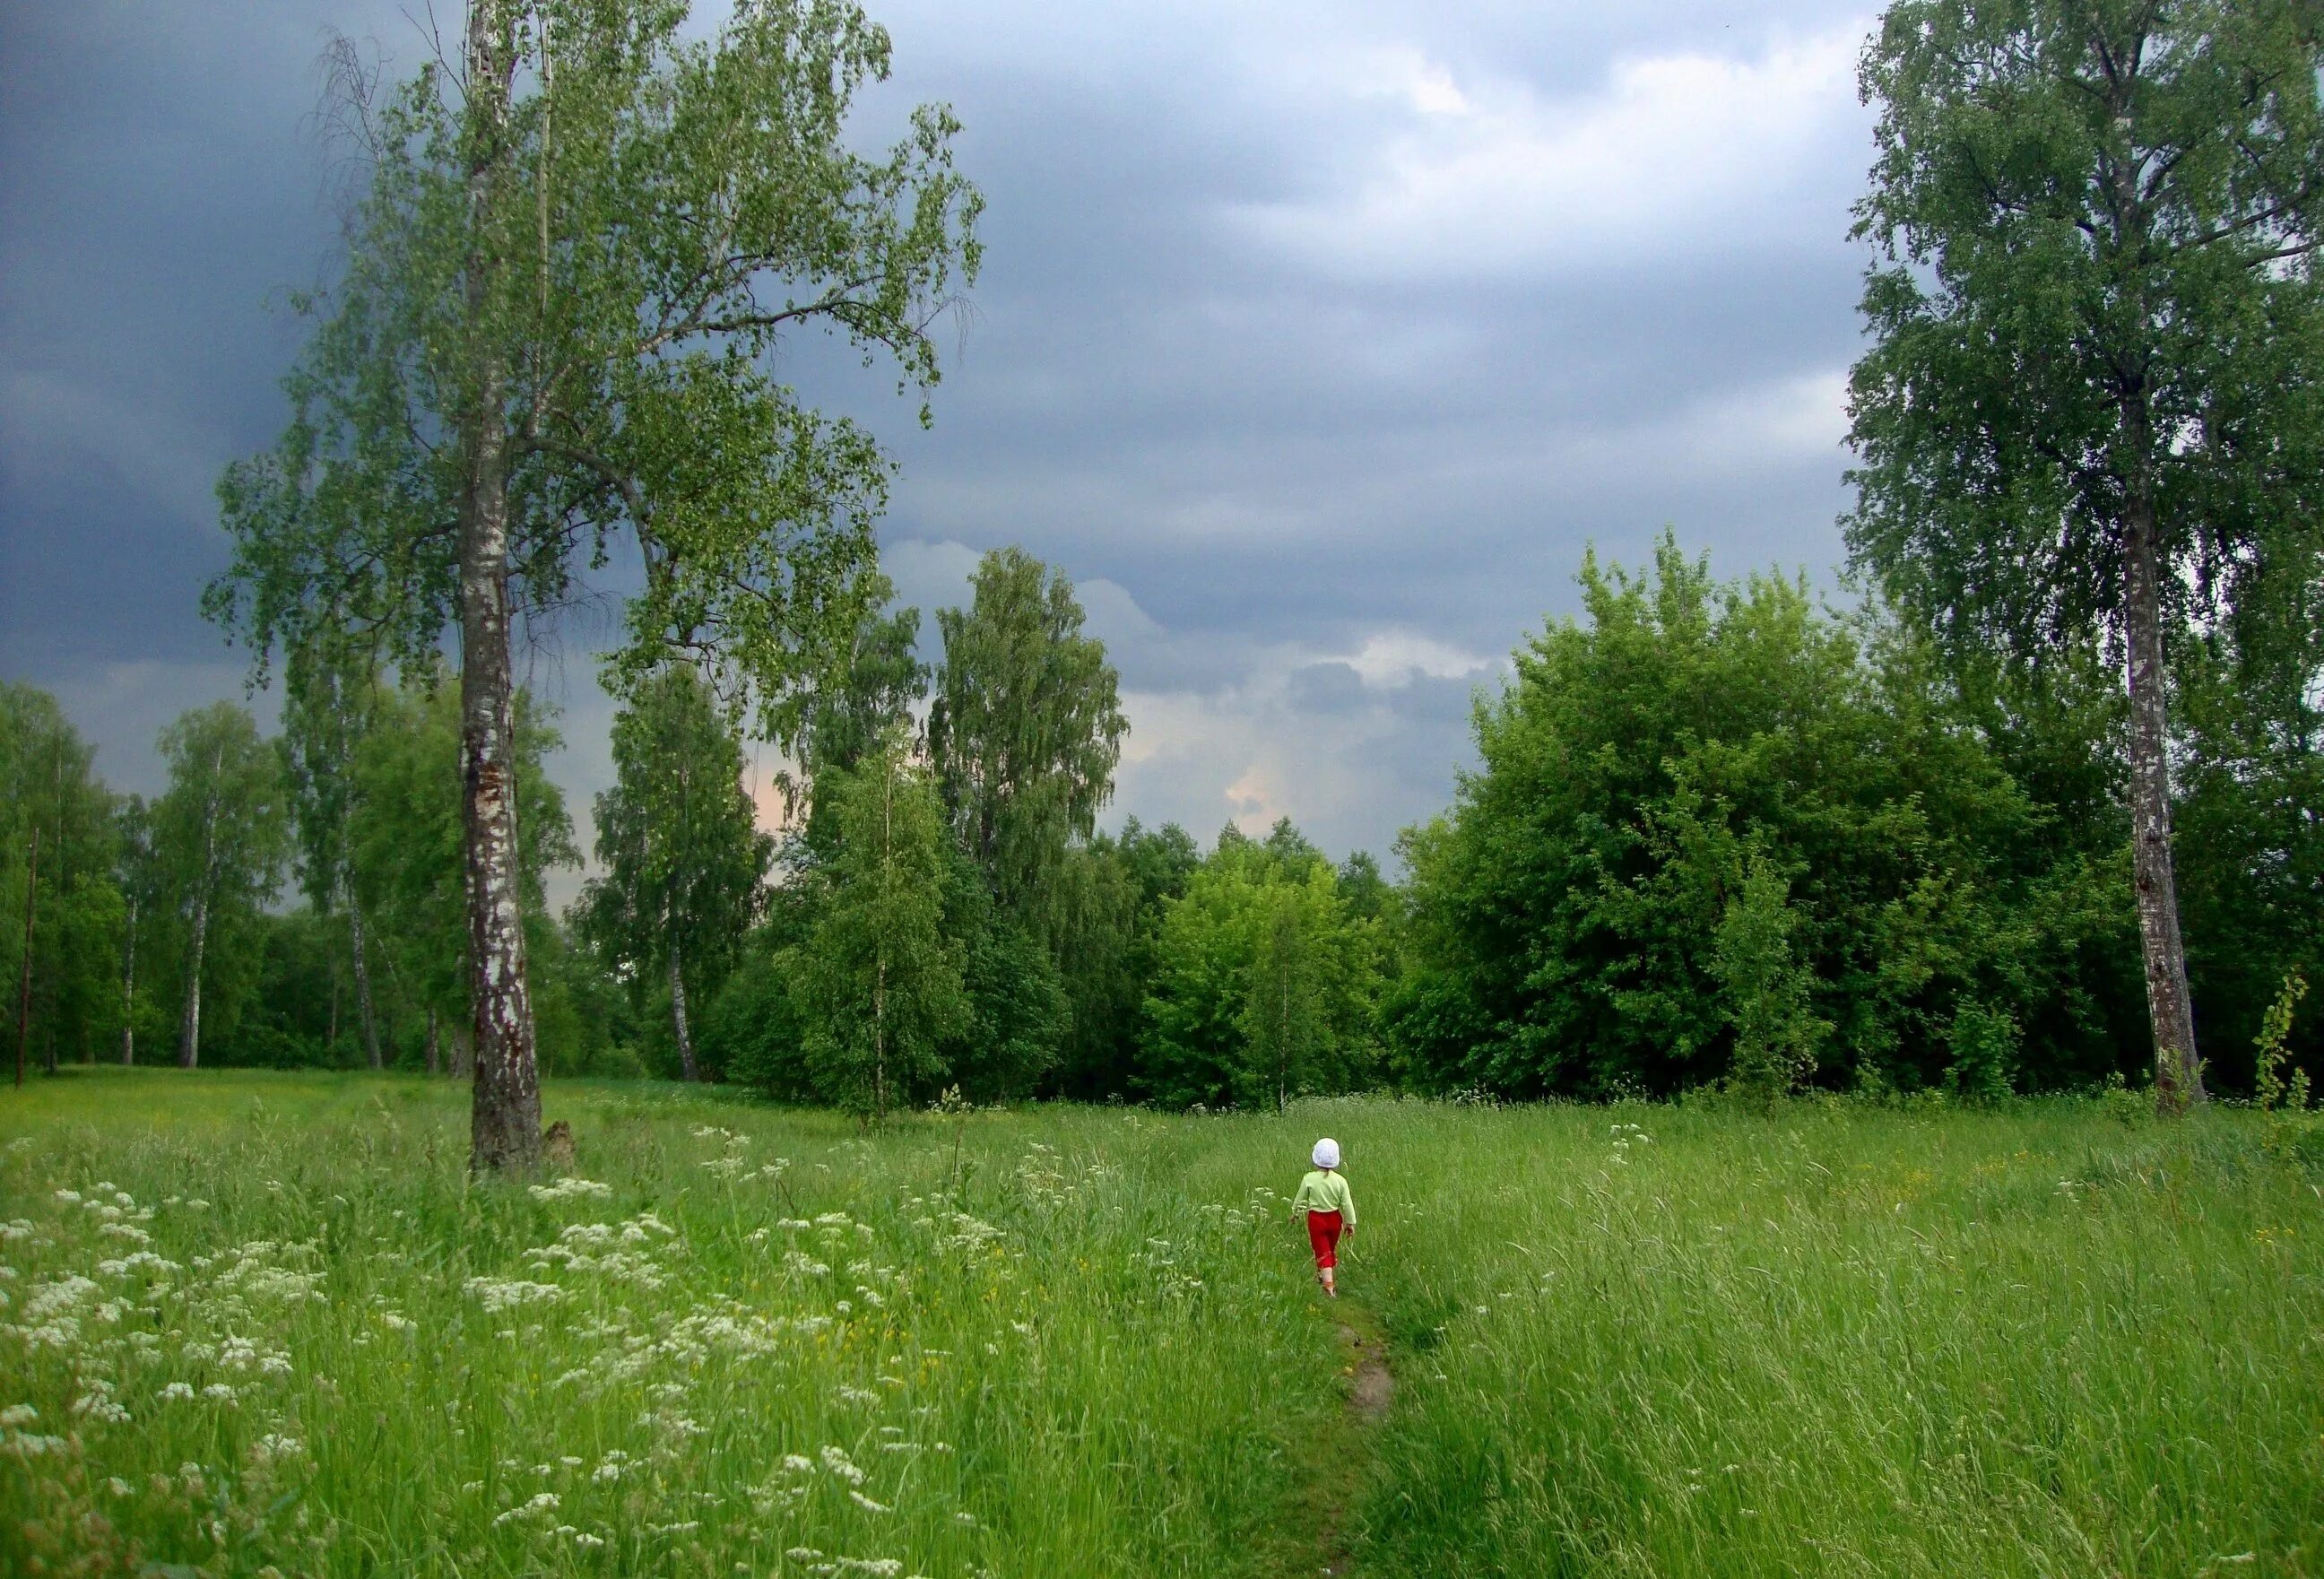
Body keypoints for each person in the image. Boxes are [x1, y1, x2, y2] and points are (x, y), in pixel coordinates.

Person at [1291, 1137, 1357, 1297]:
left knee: (1322, 1250)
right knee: (1329, 1248)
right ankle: (1322, 1274)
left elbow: (1299, 1200)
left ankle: (1329, 1286)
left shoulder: (1309, 1179)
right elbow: (1347, 1204)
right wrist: (1350, 1223)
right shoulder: (1341, 1181)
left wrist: (1295, 1214)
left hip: (1316, 1219)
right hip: (1335, 1219)